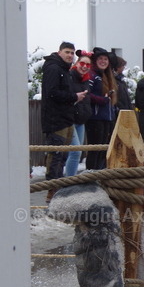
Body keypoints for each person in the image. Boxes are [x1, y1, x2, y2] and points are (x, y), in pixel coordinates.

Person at [40, 41, 86, 188]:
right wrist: (74, 97)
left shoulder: (64, 69)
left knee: (62, 155)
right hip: (55, 120)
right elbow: (52, 93)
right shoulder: (53, 68)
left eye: (72, 53)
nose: (70, 55)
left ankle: (58, 187)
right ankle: (52, 190)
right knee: (55, 156)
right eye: (67, 52)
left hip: (66, 118)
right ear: (59, 52)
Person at [64, 50, 94, 177]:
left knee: (78, 151)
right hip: (70, 119)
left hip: (81, 120)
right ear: (77, 63)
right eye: (82, 63)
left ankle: (71, 178)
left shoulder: (86, 80)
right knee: (75, 151)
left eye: (88, 65)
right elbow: (67, 97)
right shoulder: (69, 76)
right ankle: (69, 181)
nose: (84, 67)